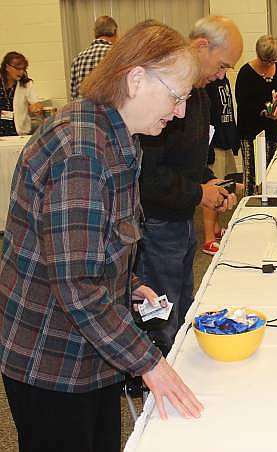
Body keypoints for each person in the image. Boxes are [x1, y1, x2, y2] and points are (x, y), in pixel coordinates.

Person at [0, 21, 203, 452]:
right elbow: (75, 282)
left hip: (88, 352)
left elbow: (83, 248)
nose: (181, 112)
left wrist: (126, 284)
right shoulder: (82, 149)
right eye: (177, 96)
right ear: (136, 79)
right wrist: (151, 364)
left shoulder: (118, 138)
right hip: (51, 360)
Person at [137, 16, 243, 353]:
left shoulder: (200, 95)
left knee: (184, 306)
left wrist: (210, 183)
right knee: (162, 318)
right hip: (156, 225)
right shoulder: (165, 99)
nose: (223, 75)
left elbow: (187, 161)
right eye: (223, 64)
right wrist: (200, 192)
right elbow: (149, 178)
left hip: (180, 221)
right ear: (201, 46)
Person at [236, 34, 277, 195]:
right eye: (265, 60)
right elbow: (244, 104)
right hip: (252, 133)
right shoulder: (246, 72)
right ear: (258, 55)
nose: (269, 64)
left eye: (272, 60)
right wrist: (265, 112)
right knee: (253, 176)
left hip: (275, 130)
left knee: (274, 172)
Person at [202, 73, 241, 255]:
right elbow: (207, 119)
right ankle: (208, 238)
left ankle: (216, 228)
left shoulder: (224, 80)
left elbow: (229, 112)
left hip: (225, 139)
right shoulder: (208, 84)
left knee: (224, 187)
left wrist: (233, 138)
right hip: (215, 144)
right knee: (214, 189)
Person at [70, 15, 118, 100]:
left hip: (84, 112)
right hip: (109, 111)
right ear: (114, 32)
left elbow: (74, 96)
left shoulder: (78, 58)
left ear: (95, 33)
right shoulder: (116, 55)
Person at [0, 51, 43, 136]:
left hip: (19, 133)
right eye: (18, 69)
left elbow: (36, 103)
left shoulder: (26, 84)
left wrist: (37, 107)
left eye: (23, 69)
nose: (21, 72)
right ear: (7, 67)